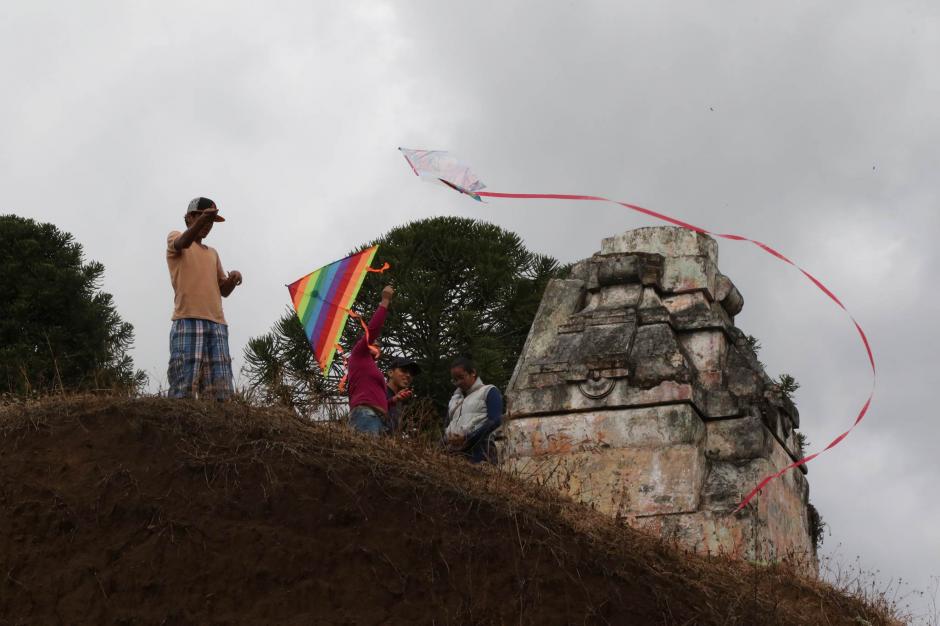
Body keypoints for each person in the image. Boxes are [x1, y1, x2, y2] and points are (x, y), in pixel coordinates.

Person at [165, 197, 242, 400]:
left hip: (217, 324)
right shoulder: (176, 237)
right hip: (188, 319)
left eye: (211, 222)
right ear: (190, 217)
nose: (207, 226)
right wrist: (202, 219)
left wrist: (232, 279)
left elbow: (223, 290)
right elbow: (183, 243)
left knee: (220, 392)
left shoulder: (213, 253)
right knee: (184, 389)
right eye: (204, 219)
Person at [347, 285, 395, 435]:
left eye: (380, 346)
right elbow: (373, 329)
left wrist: (393, 400)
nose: (378, 346)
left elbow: (372, 396)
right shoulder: (358, 355)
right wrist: (385, 300)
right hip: (366, 416)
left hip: (378, 419)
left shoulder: (369, 366)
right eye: (374, 343)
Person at [445, 357, 503, 462]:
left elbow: (495, 420)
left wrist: (469, 437)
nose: (458, 382)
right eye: (454, 380)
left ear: (473, 373)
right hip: (454, 452)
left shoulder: (489, 391)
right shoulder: (454, 399)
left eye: (461, 377)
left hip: (480, 450)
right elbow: (447, 425)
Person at [386, 356, 420, 433]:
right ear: (390, 373)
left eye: (412, 373)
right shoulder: (379, 391)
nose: (408, 375)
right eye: (403, 370)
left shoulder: (403, 401)